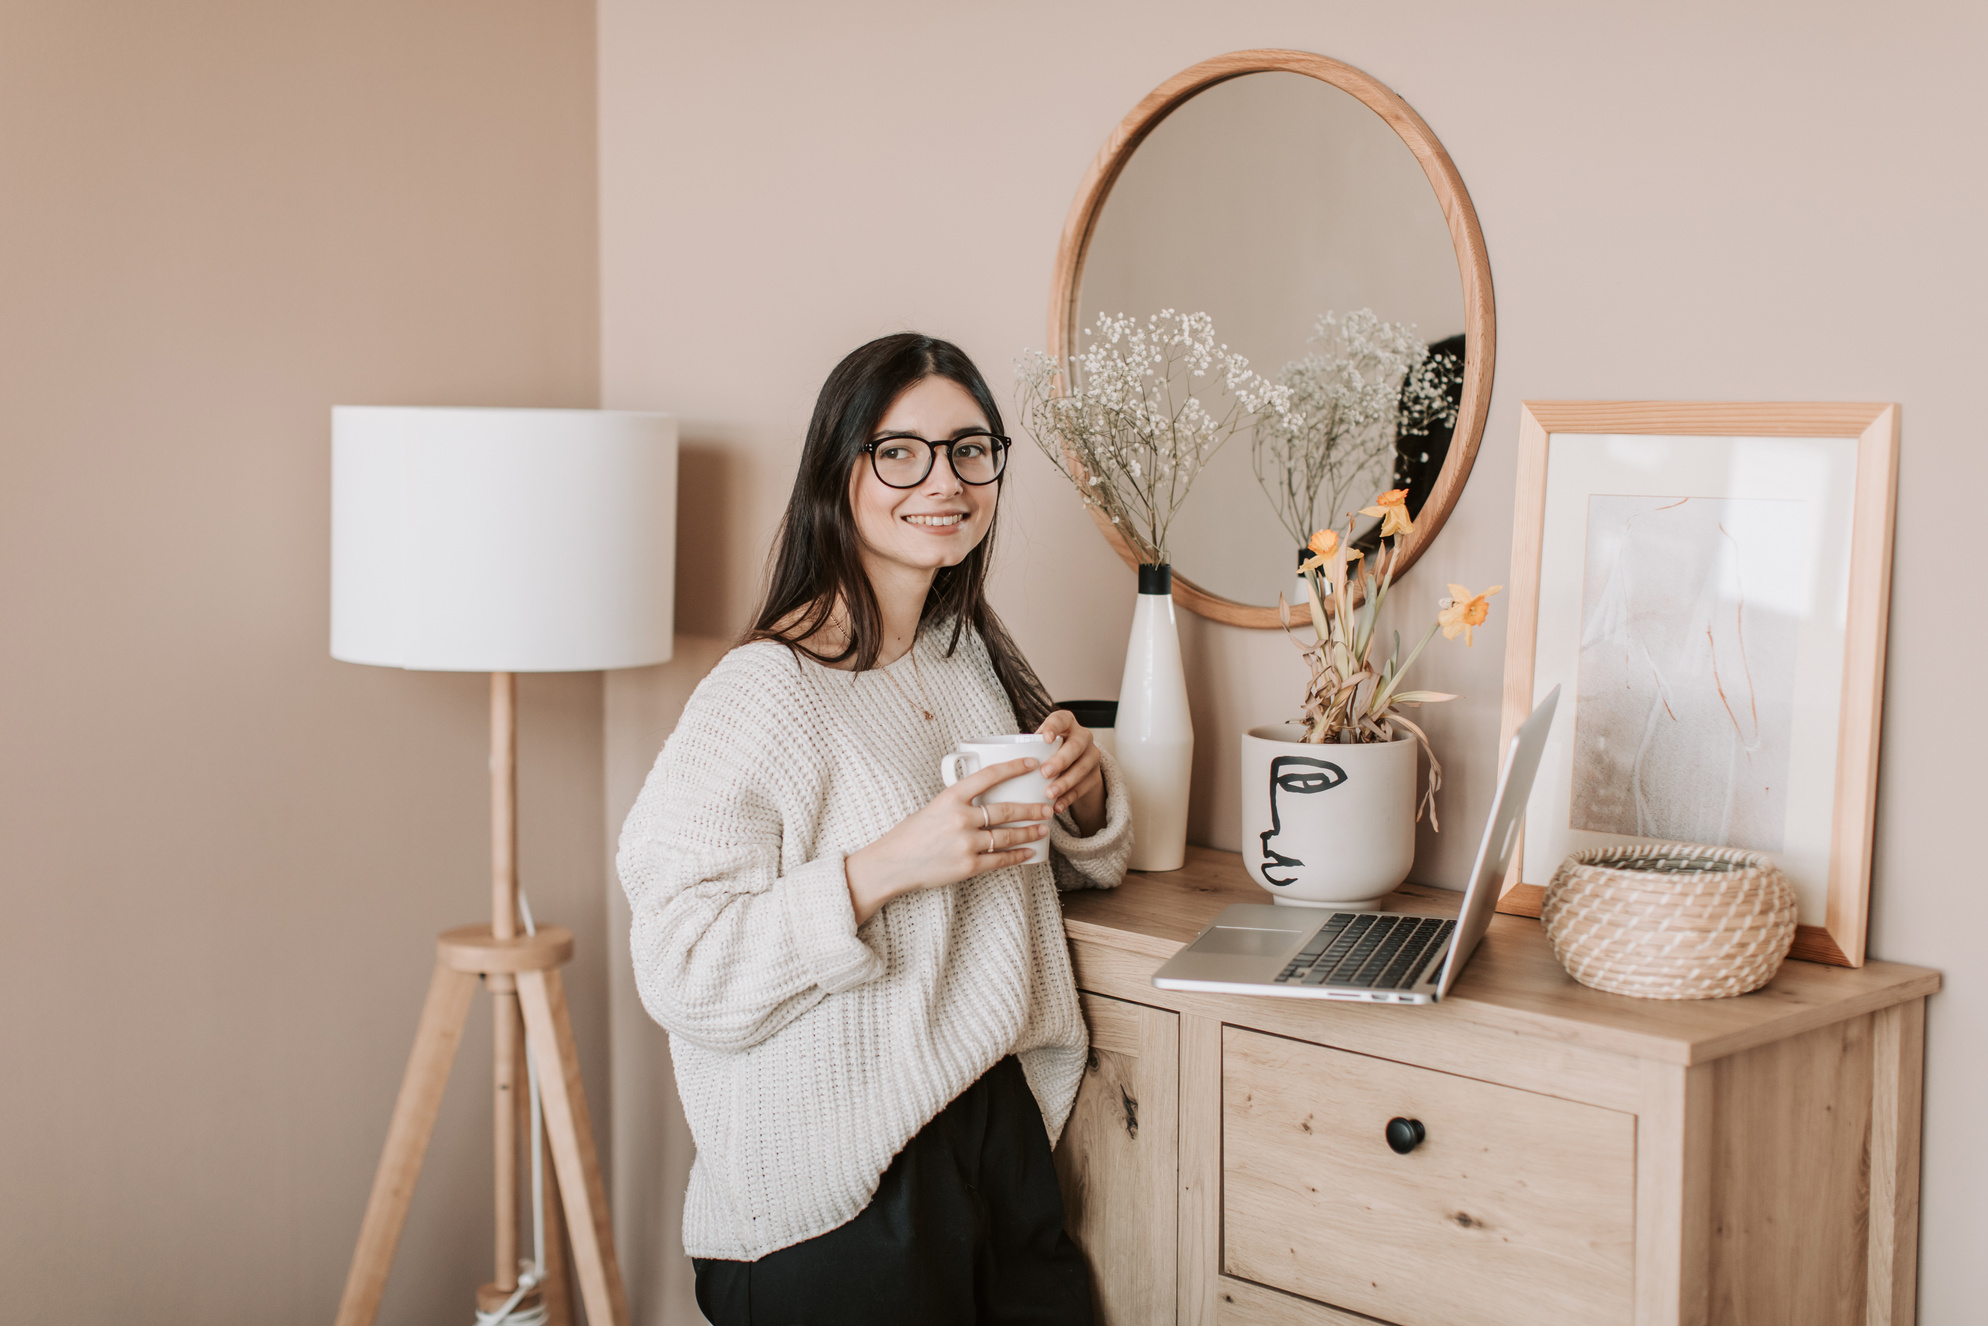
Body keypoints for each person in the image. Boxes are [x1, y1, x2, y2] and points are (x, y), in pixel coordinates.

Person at [617, 332, 1132, 1324]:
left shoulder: (964, 656)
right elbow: (680, 965)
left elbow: (1002, 886)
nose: (942, 480)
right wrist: (881, 869)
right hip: (841, 1187)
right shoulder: (765, 692)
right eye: (899, 451)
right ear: (836, 470)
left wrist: (1084, 803)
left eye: (969, 449)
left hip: (989, 1140)